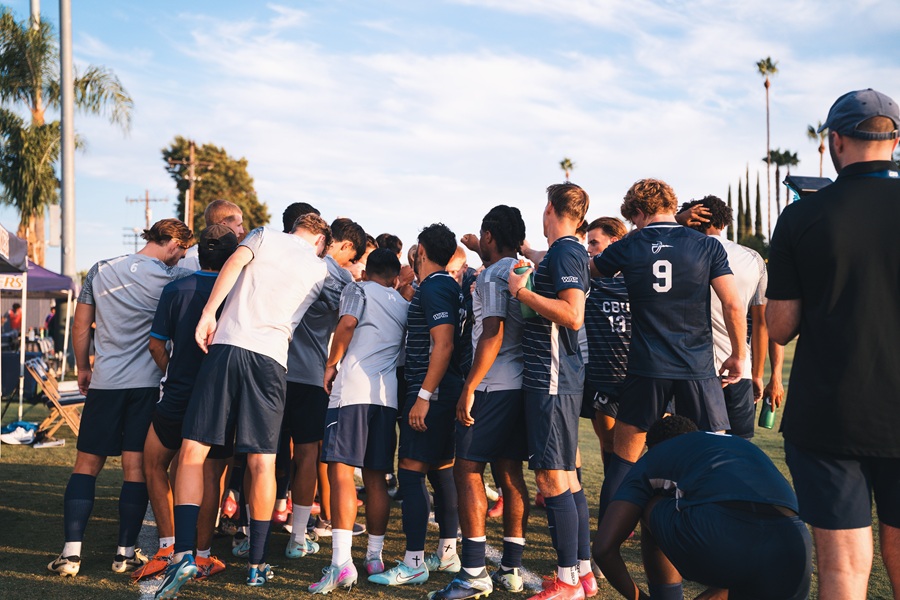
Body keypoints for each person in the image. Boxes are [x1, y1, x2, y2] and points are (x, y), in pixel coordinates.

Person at [766, 88, 900, 600]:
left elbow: (779, 328)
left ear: (836, 141)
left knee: (843, 572)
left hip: (830, 412)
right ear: (894, 140)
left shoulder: (802, 217)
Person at [155, 214, 330, 597]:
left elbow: (234, 262)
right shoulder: (320, 269)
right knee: (262, 461)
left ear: (296, 228)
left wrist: (208, 313)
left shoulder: (265, 234)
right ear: (320, 241)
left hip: (228, 346)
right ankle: (256, 565)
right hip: (271, 360)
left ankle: (184, 554)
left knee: (192, 452)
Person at [591, 179, 746, 530]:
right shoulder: (706, 245)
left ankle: (605, 547)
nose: (633, 226)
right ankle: (712, 534)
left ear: (641, 213)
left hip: (646, 367)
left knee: (623, 462)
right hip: (696, 367)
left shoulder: (631, 243)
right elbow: (733, 304)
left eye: (634, 219)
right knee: (711, 458)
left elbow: (589, 270)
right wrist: (738, 355)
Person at [48, 218, 194, 578]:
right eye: (182, 251)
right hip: (146, 384)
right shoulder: (172, 278)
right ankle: (124, 554)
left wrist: (82, 367)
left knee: (85, 465)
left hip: (105, 382)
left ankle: (70, 554)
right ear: (173, 243)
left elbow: (81, 326)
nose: (180, 259)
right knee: (135, 469)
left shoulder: (101, 269)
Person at [593, 415, 812, 600]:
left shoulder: (656, 456)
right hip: (795, 548)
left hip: (722, 540)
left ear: (653, 447)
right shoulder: (737, 444)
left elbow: (603, 549)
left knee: (650, 501)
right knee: (751, 559)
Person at [429, 205, 530, 600]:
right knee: (509, 475)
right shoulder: (522, 269)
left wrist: (470, 385)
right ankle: (511, 568)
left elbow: (493, 331)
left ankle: (472, 573)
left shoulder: (492, 274)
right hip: (520, 384)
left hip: (492, 386)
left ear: (489, 236)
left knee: (467, 471)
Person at [132, 225, 239, 583]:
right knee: (212, 475)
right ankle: (204, 555)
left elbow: (155, 345)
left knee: (154, 464)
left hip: (178, 391)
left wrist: (172, 372)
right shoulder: (239, 292)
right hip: (222, 395)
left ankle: (168, 548)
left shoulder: (176, 288)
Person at [507, 183, 592, 600]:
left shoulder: (566, 251)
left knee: (552, 479)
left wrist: (521, 293)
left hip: (553, 378)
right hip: (558, 378)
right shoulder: (563, 251)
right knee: (566, 479)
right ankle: (583, 573)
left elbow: (572, 315)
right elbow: (547, 261)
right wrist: (523, 249)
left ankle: (567, 582)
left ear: (551, 210)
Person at [369, 223, 465, 587]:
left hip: (433, 391)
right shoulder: (444, 286)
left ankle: (413, 562)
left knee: (410, 471)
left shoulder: (437, 286)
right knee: (442, 470)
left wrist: (423, 396)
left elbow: (443, 345)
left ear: (421, 250)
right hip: (443, 388)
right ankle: (446, 553)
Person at [308, 248, 409, 594]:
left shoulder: (358, 289)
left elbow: (347, 323)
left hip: (351, 391)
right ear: (394, 277)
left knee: (341, 474)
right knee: (376, 477)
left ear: (368, 271)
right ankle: (375, 557)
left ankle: (341, 563)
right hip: (386, 396)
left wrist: (331, 363)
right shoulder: (402, 302)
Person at [284, 216, 367, 554]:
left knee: (260, 456)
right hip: (309, 374)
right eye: (353, 257)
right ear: (346, 246)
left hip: (272, 367)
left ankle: (247, 533)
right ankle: (297, 537)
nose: (353, 264)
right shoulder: (340, 279)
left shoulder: (292, 262)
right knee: (307, 455)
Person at [679, 195, 785, 438]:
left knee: (697, 446)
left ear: (693, 220)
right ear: (724, 224)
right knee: (740, 447)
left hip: (693, 368)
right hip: (740, 368)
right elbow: (761, 323)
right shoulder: (752, 258)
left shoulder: (683, 254)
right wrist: (757, 374)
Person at [581, 217, 630, 469]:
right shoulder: (589, 282)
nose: (589, 248)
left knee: (651, 447)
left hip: (642, 379)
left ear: (615, 242)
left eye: (594, 243)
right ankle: (613, 504)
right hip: (603, 381)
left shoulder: (641, 279)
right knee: (609, 448)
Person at [178, 199, 245, 270]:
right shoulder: (193, 257)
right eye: (238, 225)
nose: (242, 231)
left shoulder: (189, 255)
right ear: (223, 225)